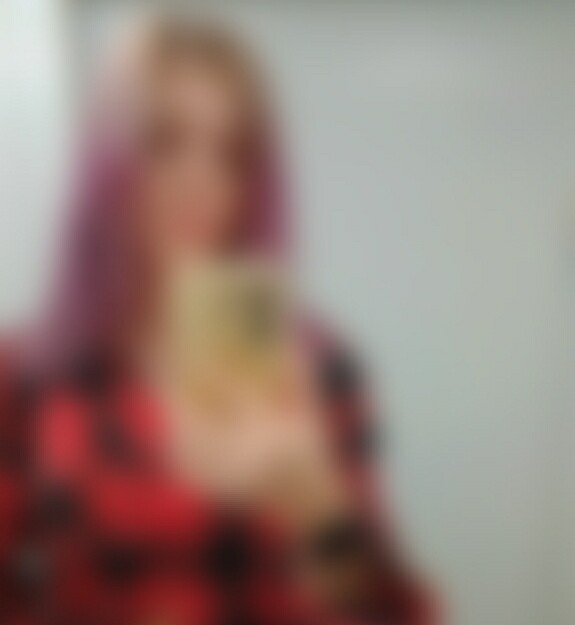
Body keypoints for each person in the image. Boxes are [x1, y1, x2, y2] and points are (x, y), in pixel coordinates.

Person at [0, 16, 438, 625]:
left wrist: (315, 502)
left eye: (231, 154)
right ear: (107, 165)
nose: (203, 177)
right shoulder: (28, 373)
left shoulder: (319, 366)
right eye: (164, 142)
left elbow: (388, 612)